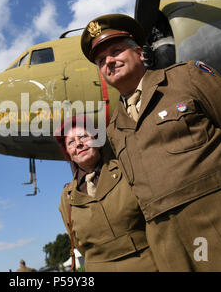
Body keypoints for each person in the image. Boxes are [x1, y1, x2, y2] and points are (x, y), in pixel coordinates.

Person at [80, 13, 221, 271]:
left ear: (139, 53)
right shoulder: (114, 127)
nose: (109, 62)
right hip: (171, 248)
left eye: (116, 51)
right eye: (101, 61)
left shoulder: (187, 77)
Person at [55, 115, 158, 272]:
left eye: (83, 136)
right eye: (71, 142)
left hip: (146, 263)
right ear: (68, 153)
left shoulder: (126, 168)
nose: (79, 144)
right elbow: (78, 243)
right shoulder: (67, 198)